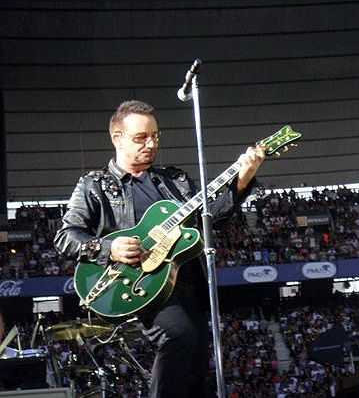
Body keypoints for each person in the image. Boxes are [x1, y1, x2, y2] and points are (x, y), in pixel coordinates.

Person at [54, 100, 265, 398]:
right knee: (179, 334)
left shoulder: (174, 181)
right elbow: (65, 237)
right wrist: (109, 246)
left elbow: (210, 216)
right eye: (141, 137)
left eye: (155, 136)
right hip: (138, 283)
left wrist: (243, 178)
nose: (151, 144)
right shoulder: (94, 185)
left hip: (187, 281)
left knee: (197, 372)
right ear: (117, 138)